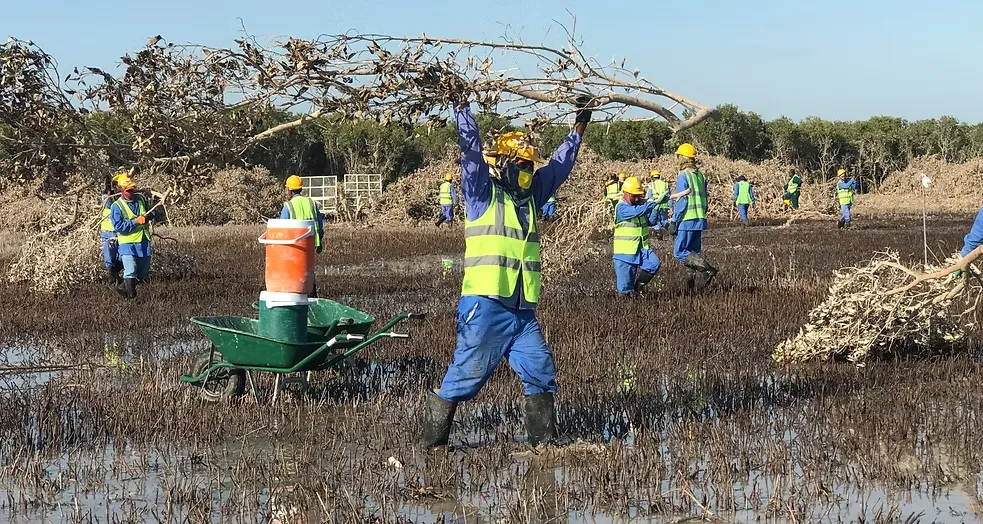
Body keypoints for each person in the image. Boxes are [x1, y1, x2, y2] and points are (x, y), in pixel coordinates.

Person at [423, 96, 591, 449]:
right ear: (501, 166)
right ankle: (433, 448)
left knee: (541, 372)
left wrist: (580, 124)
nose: (528, 173)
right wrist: (462, 109)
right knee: (464, 379)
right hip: (485, 305)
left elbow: (561, 165)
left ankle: (542, 446)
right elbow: (470, 151)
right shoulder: (481, 192)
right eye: (521, 165)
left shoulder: (532, 196)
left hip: (521, 309)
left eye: (530, 166)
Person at [667, 143, 718, 294]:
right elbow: (705, 198)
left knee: (679, 252)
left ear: (683, 158)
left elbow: (682, 200)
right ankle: (689, 289)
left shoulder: (683, 175)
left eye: (678, 156)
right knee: (692, 254)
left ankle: (707, 269)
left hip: (687, 219)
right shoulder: (700, 175)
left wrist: (675, 220)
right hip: (699, 219)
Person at [613, 176, 666, 296]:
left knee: (653, 264)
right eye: (634, 196)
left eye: (639, 196)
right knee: (625, 290)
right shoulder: (621, 208)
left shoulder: (640, 206)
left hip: (642, 248)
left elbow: (651, 221)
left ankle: (638, 288)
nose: (637, 199)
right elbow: (637, 212)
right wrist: (652, 203)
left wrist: (656, 208)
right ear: (625, 193)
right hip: (625, 254)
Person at [110, 177, 157, 299]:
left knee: (142, 272)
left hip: (143, 241)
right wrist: (136, 221)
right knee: (130, 270)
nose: (132, 193)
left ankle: (123, 287)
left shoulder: (141, 199)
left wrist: (151, 213)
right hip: (127, 243)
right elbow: (119, 226)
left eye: (133, 190)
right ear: (121, 190)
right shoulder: (117, 206)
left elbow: (151, 212)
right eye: (128, 191)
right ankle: (132, 299)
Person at [280, 174, 325, 296]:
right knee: (308, 274)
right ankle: (312, 299)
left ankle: (297, 297)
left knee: (295, 276)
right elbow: (320, 226)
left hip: (294, 247)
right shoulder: (311, 203)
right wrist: (318, 240)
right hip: (310, 244)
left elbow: (282, 230)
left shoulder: (288, 206)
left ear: (289, 190)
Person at [100, 172, 128, 287]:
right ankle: (113, 281)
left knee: (122, 258)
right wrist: (107, 189)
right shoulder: (108, 198)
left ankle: (116, 278)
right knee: (110, 260)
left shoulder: (124, 198)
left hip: (121, 233)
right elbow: (105, 200)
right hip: (108, 233)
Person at [645, 169, 671, 240]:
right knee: (664, 221)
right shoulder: (665, 184)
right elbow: (669, 197)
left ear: (652, 177)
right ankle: (672, 233)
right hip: (664, 207)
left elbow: (650, 197)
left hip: (655, 206)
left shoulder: (651, 185)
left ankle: (658, 233)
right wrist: (671, 207)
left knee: (652, 221)